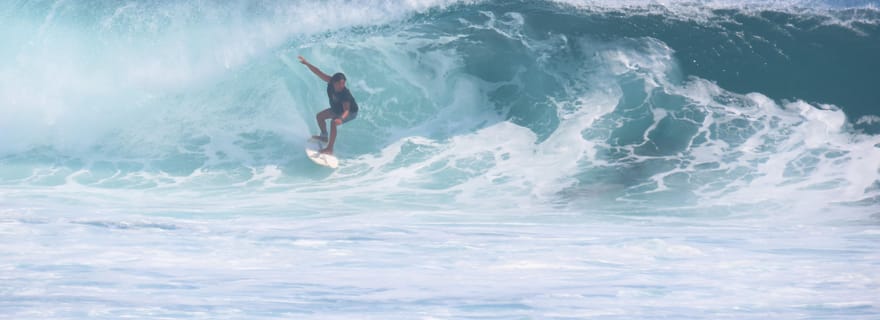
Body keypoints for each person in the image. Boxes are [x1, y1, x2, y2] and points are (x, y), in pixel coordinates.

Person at [298, 55, 359, 155]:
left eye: (343, 83)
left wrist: (341, 119)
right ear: (333, 82)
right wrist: (306, 63)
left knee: (333, 122)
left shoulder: (345, 94)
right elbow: (318, 72)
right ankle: (324, 136)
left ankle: (329, 149)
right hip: (336, 109)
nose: (341, 86)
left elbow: (347, 110)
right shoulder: (330, 81)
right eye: (339, 84)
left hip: (350, 112)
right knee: (319, 116)